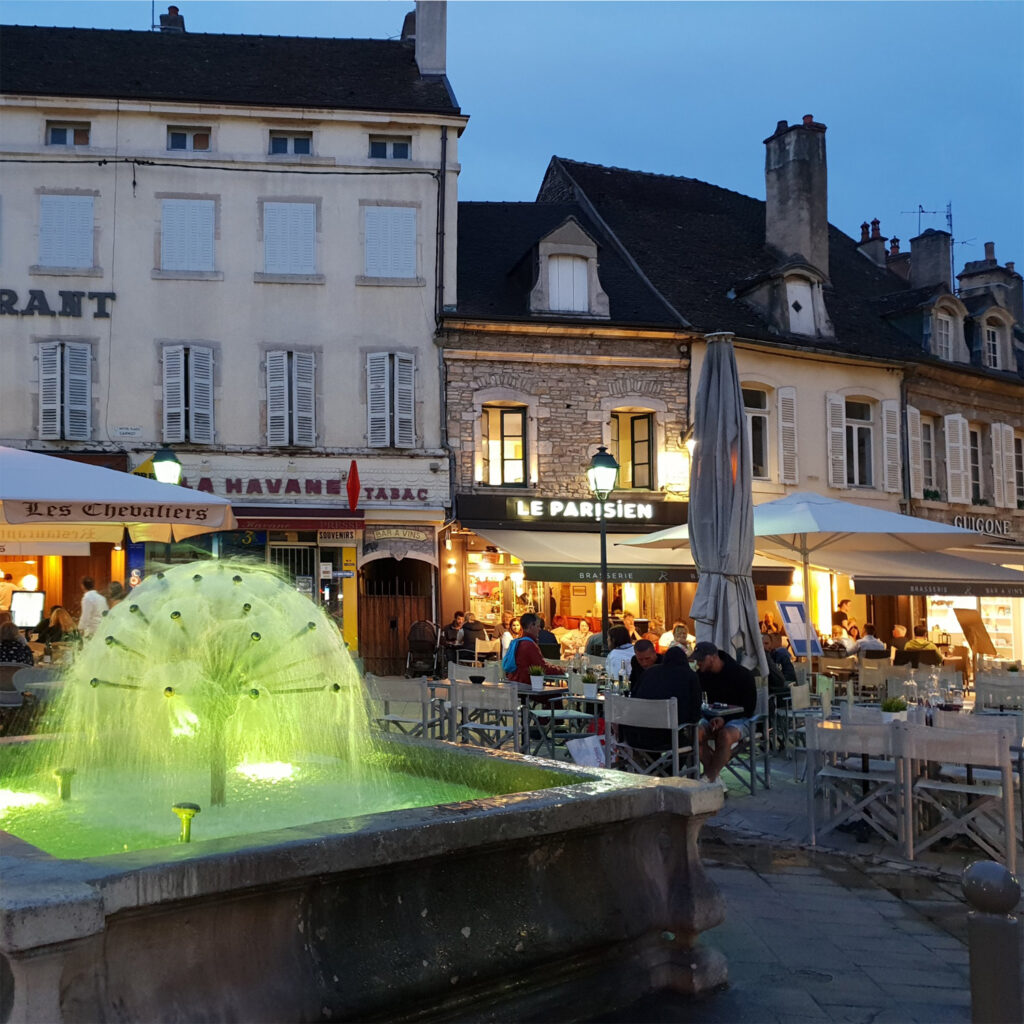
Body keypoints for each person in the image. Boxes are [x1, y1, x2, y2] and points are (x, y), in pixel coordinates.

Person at [693, 641, 757, 784]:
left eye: (701, 660)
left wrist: (724, 718)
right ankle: (714, 778)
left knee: (725, 736)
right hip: (711, 717)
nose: (698, 663)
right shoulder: (701, 675)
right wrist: (710, 716)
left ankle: (709, 778)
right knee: (694, 734)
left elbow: (749, 707)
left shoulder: (741, 675)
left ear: (713, 657)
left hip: (740, 718)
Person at [621, 646, 701, 751]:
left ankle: (652, 767)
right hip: (668, 739)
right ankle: (668, 768)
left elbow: (634, 699)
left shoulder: (649, 672)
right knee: (689, 741)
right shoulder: (690, 676)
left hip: (635, 737)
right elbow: (695, 711)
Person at [504, 612, 564, 684]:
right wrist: (563, 670)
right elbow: (542, 667)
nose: (539, 629)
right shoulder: (529, 644)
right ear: (531, 626)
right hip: (526, 685)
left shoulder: (519, 642)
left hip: (515, 684)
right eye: (537, 626)